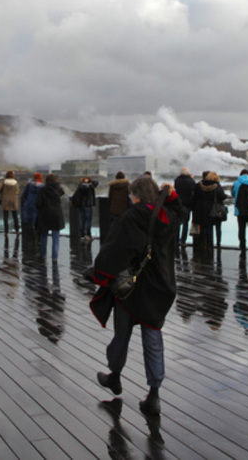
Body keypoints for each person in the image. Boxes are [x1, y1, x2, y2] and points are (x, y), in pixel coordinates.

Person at [90, 176, 186, 415]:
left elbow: (116, 251)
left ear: (136, 196)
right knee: (153, 340)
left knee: (122, 334)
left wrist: (97, 273)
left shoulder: (132, 217)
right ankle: (154, 395)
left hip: (132, 289)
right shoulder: (168, 217)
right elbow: (181, 211)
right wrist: (171, 196)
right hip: (160, 287)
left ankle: (115, 376)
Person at [191, 171, 226, 251]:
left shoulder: (199, 185)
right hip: (215, 210)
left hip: (202, 209)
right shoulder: (217, 186)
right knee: (217, 227)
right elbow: (223, 196)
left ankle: (208, 244)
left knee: (207, 227)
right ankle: (218, 243)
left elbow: (194, 197)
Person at [36, 173, 66, 260]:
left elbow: (38, 203)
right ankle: (54, 257)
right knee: (56, 236)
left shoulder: (42, 190)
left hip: (45, 214)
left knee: (44, 235)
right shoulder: (58, 189)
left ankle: (42, 254)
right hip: (56, 214)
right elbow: (62, 192)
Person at [71, 177, 99, 241]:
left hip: (81, 205)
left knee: (82, 220)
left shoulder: (80, 186)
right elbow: (96, 182)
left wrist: (83, 181)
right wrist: (89, 181)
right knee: (88, 220)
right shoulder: (90, 186)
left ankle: (82, 235)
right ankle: (88, 235)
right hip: (88, 205)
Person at [173, 168, 196, 245]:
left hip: (178, 203)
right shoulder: (190, 181)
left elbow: (176, 188)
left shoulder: (177, 180)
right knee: (186, 223)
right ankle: (183, 240)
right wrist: (191, 178)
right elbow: (194, 189)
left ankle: (176, 240)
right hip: (188, 204)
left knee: (178, 222)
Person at [0, 171, 20, 235]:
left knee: (5, 217)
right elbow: (17, 191)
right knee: (15, 216)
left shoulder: (4, 182)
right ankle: (17, 230)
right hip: (14, 200)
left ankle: (6, 231)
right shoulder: (15, 182)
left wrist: (1, 192)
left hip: (5, 200)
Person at [106, 172, 131, 237]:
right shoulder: (127, 185)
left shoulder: (112, 186)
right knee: (124, 223)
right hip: (124, 208)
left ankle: (113, 236)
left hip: (114, 208)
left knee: (114, 224)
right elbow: (130, 195)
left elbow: (110, 197)